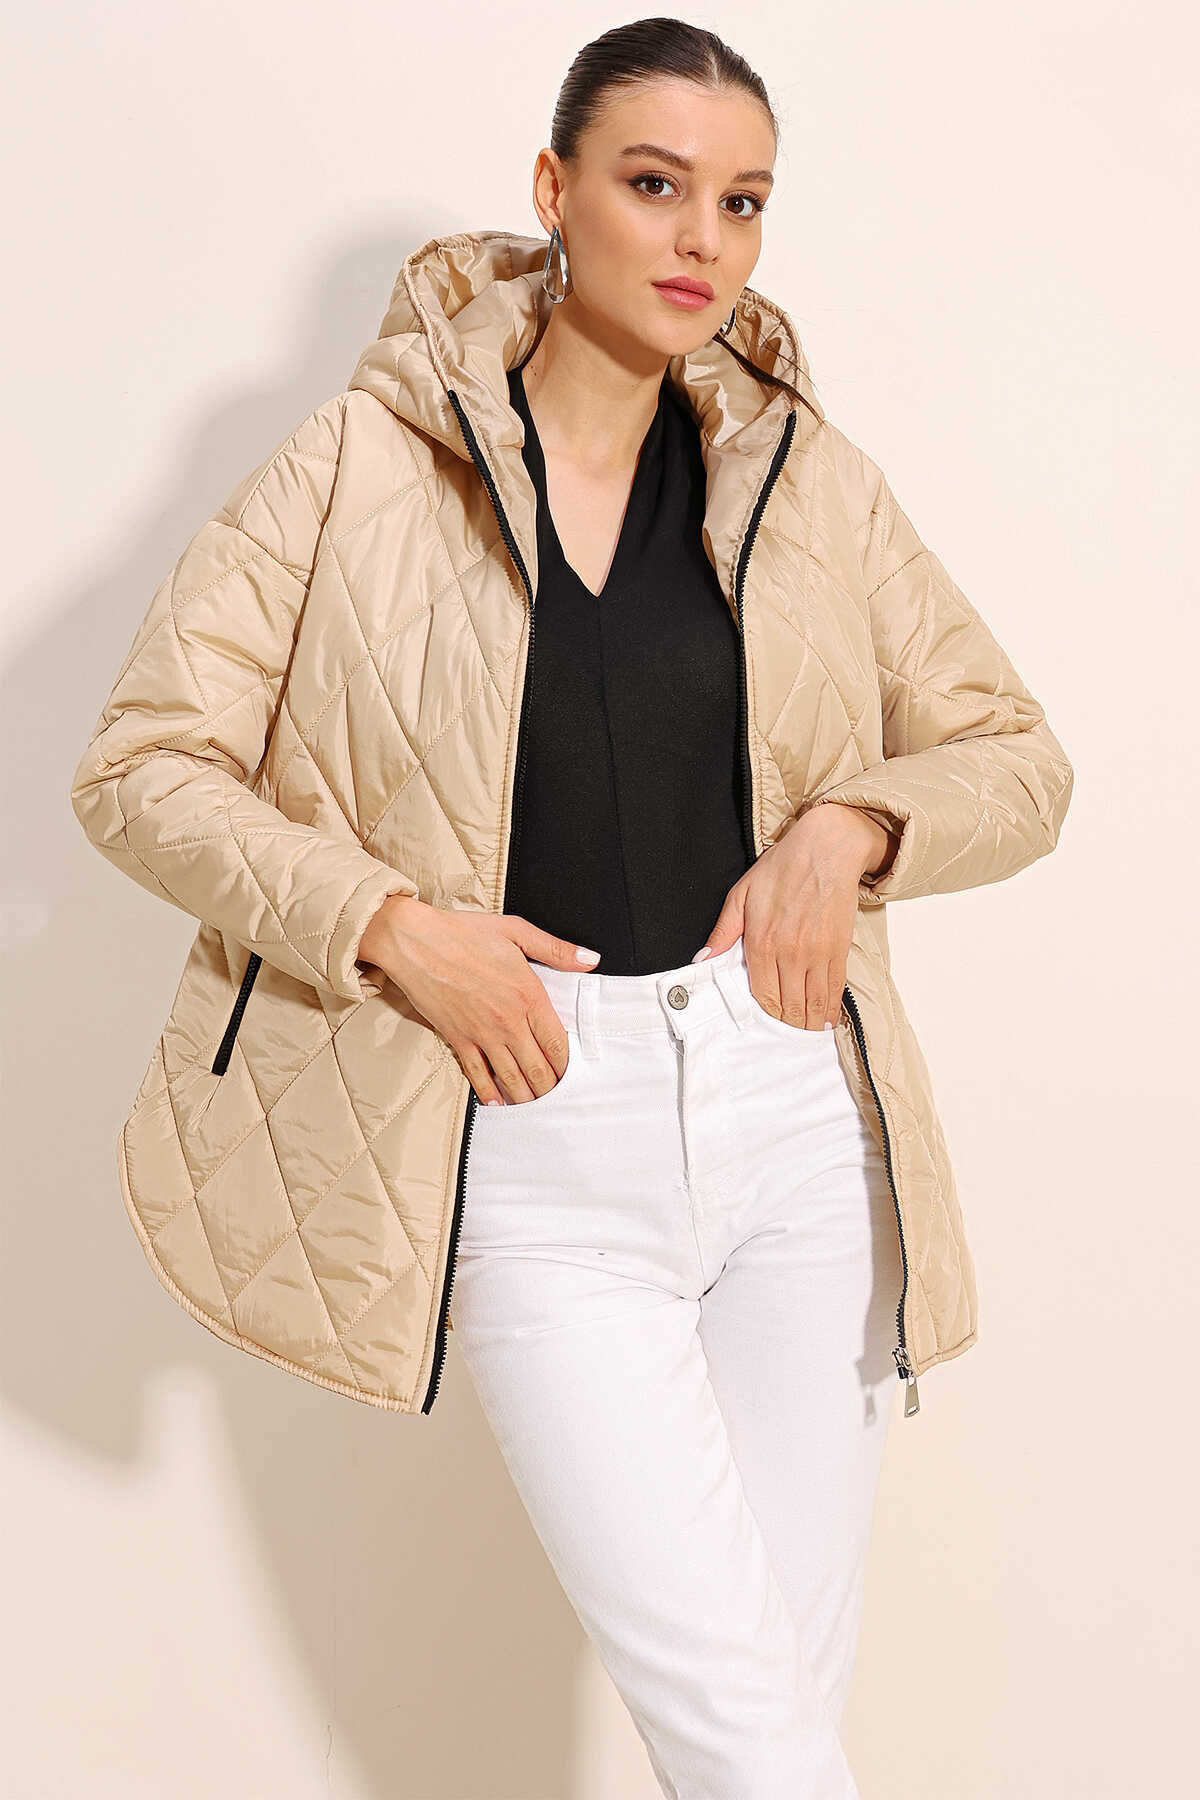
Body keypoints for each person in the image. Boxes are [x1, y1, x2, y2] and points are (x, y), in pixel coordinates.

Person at [70, 19, 1073, 1798]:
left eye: (743, 201)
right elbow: (143, 765)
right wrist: (394, 924)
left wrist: (853, 827)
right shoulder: (360, 462)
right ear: (554, 189)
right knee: (749, 1734)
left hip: (794, 1115)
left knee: (768, 1720)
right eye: (655, 183)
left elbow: (1015, 756)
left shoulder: (803, 476)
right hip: (532, 1123)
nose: (703, 238)